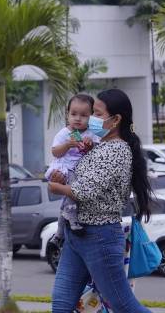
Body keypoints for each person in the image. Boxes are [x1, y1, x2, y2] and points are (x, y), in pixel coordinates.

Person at [48, 89, 153, 313]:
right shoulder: (100, 146)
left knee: (123, 304)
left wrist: (57, 187)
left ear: (115, 120)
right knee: (61, 303)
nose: (91, 119)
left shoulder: (116, 150)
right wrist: (62, 177)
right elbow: (79, 176)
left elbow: (84, 190)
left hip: (99, 236)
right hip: (76, 233)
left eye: (96, 113)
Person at [44, 94, 99, 238]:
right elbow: (55, 152)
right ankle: (72, 221)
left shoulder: (92, 133)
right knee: (73, 192)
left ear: (91, 117)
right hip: (65, 168)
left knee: (66, 202)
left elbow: (94, 152)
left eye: (83, 115)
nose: (78, 118)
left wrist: (90, 145)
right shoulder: (64, 133)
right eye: (73, 114)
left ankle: (59, 234)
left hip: (80, 169)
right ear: (67, 114)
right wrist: (68, 145)